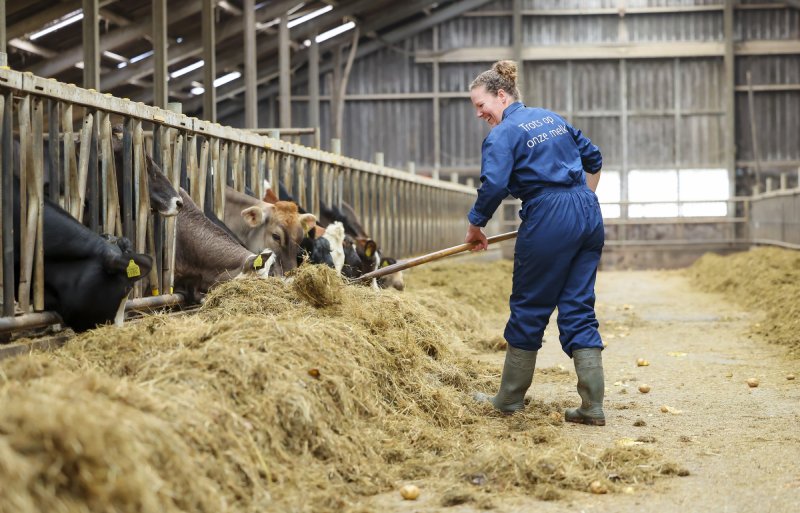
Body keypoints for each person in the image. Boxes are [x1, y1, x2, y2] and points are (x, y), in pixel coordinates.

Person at [464, 60, 606, 426]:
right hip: (587, 213)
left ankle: (508, 400)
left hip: (548, 213)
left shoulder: (503, 134)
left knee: (529, 305)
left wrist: (476, 224)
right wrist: (581, 202)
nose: (479, 114)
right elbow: (594, 158)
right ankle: (592, 407)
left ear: (501, 95)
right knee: (577, 305)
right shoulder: (551, 118)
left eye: (481, 105)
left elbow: (493, 185)